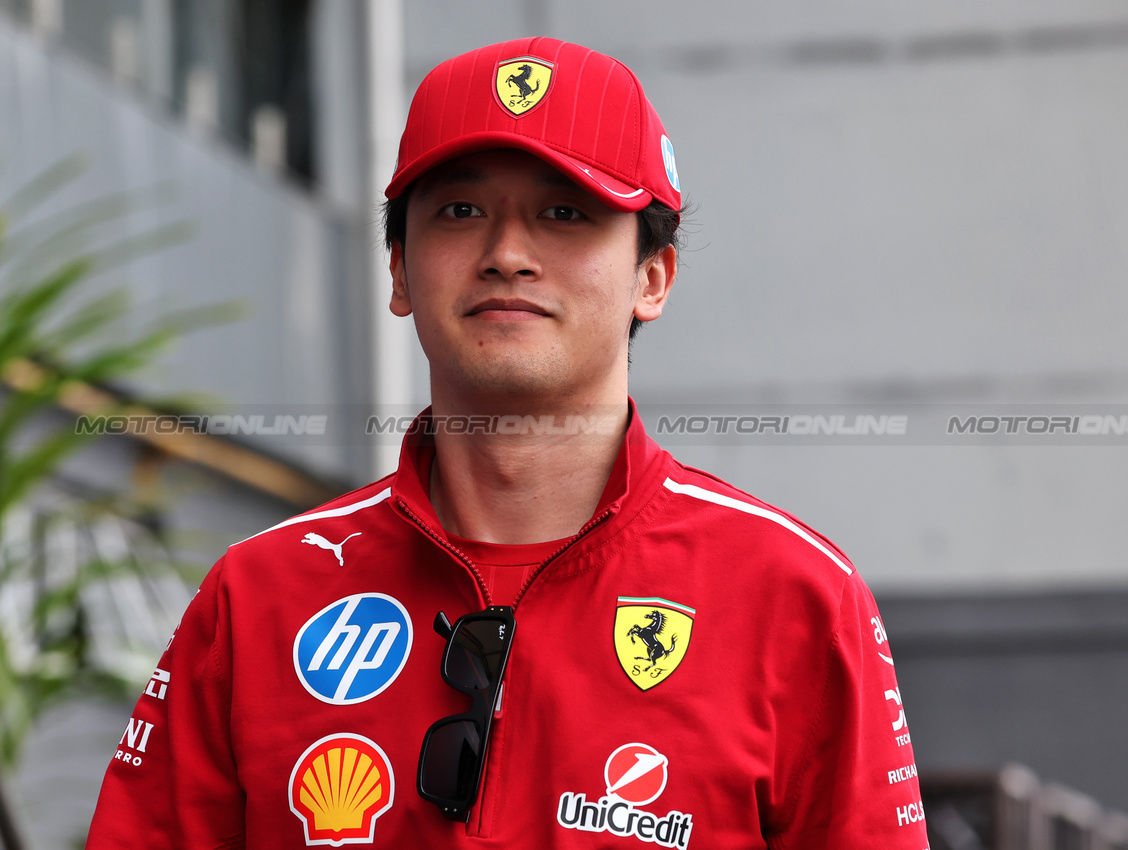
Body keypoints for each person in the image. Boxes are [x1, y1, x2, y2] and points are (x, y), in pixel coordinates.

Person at [85, 37, 926, 849]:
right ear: (400, 272)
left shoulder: (793, 593)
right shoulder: (258, 596)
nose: (506, 254)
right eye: (459, 211)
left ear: (652, 277)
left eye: (565, 213)